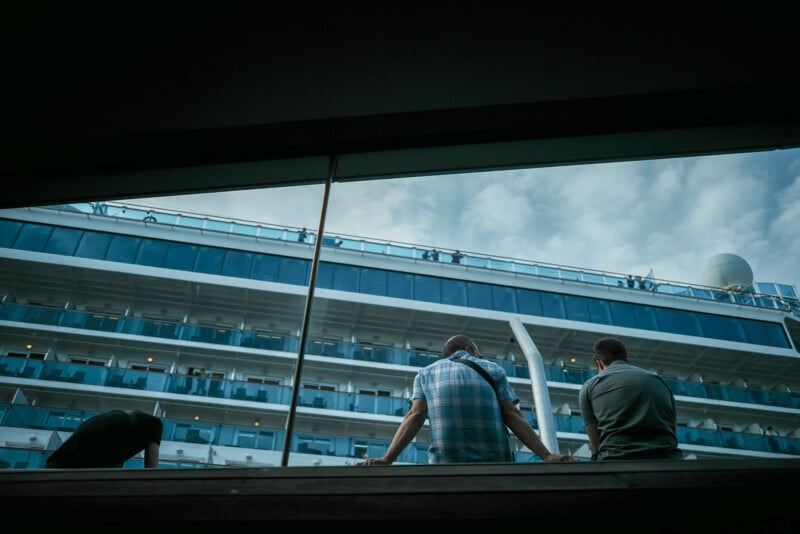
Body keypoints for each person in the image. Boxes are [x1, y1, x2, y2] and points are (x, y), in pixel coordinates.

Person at [356, 334, 574, 465]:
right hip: (495, 463)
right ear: (470, 349)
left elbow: (415, 415)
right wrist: (546, 455)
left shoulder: (425, 373)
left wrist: (388, 458)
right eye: (477, 352)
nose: (479, 356)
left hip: (446, 465)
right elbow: (511, 414)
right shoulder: (492, 368)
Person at [579, 336, 682, 461]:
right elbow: (672, 425)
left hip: (616, 459)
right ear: (626, 359)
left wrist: (596, 456)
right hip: (666, 458)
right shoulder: (659, 382)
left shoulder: (590, 385)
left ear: (599, 362)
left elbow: (592, 431)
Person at [45, 409, 163, 468]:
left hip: (95, 423)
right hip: (117, 426)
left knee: (69, 457)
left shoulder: (139, 423)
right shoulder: (156, 424)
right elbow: (151, 468)